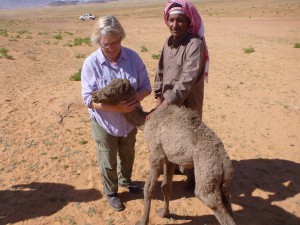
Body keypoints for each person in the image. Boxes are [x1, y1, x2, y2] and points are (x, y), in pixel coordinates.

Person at [81, 15, 152, 211]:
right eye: (106, 44)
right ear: (98, 41)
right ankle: (111, 192)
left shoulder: (133, 58)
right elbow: (88, 99)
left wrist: (137, 97)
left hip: (130, 121)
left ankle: (126, 181)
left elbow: (147, 86)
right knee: (108, 158)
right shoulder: (91, 63)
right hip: (104, 122)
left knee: (128, 154)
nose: (112, 47)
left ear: (121, 38)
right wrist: (117, 108)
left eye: (116, 42)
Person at [148, 0, 209, 190]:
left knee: (189, 137)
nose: (175, 25)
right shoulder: (167, 43)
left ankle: (193, 177)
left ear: (189, 21)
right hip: (167, 101)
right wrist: (159, 96)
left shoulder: (195, 44)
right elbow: (160, 71)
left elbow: (187, 80)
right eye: (171, 20)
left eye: (180, 20)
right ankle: (173, 167)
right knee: (171, 136)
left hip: (187, 101)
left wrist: (166, 103)